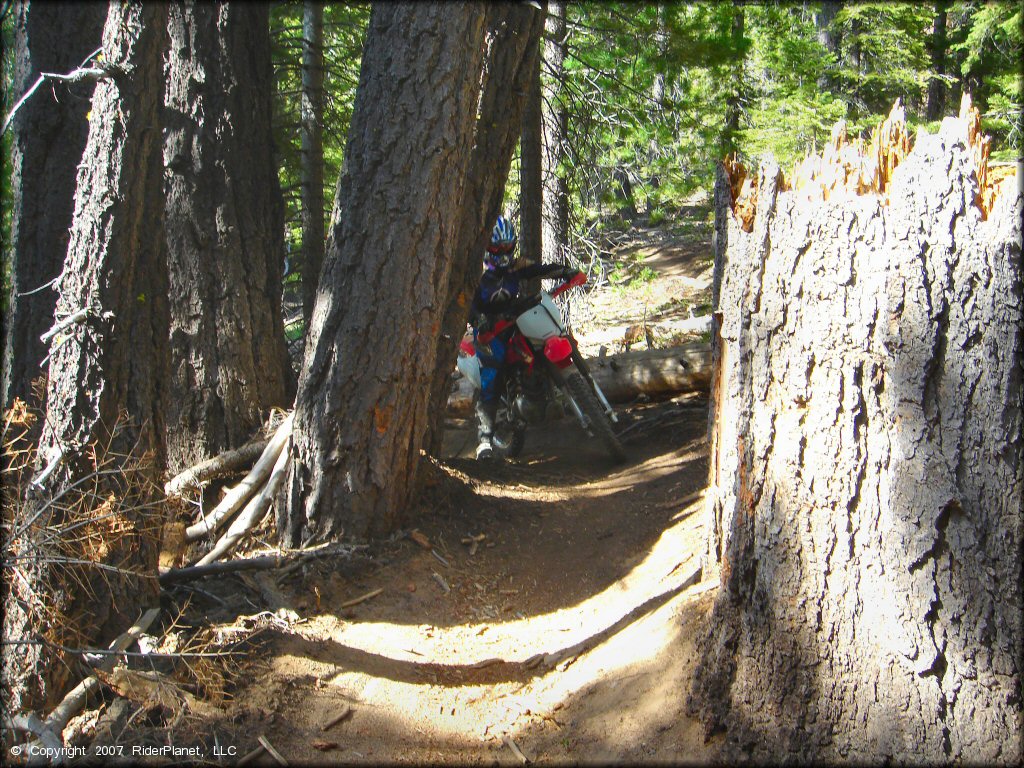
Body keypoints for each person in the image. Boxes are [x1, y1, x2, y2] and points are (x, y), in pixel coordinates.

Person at [469, 215, 582, 460]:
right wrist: (479, 320)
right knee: (493, 372)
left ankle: (560, 396)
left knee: (540, 344)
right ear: (488, 247)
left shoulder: (515, 267)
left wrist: (564, 271)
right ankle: (485, 441)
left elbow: (538, 269)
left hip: (515, 320)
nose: (504, 251)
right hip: (490, 331)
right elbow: (468, 304)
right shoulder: (478, 274)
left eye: (508, 246)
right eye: (498, 247)